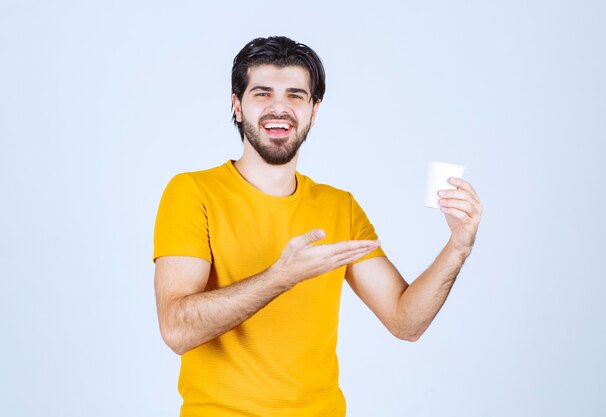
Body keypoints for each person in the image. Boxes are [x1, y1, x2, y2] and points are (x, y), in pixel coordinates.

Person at [153, 35, 483, 417]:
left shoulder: (338, 206)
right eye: (262, 93)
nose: (280, 108)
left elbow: (406, 321)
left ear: (313, 110)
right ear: (237, 106)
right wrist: (282, 276)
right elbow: (177, 329)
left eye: (296, 95)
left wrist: (458, 245)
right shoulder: (192, 192)